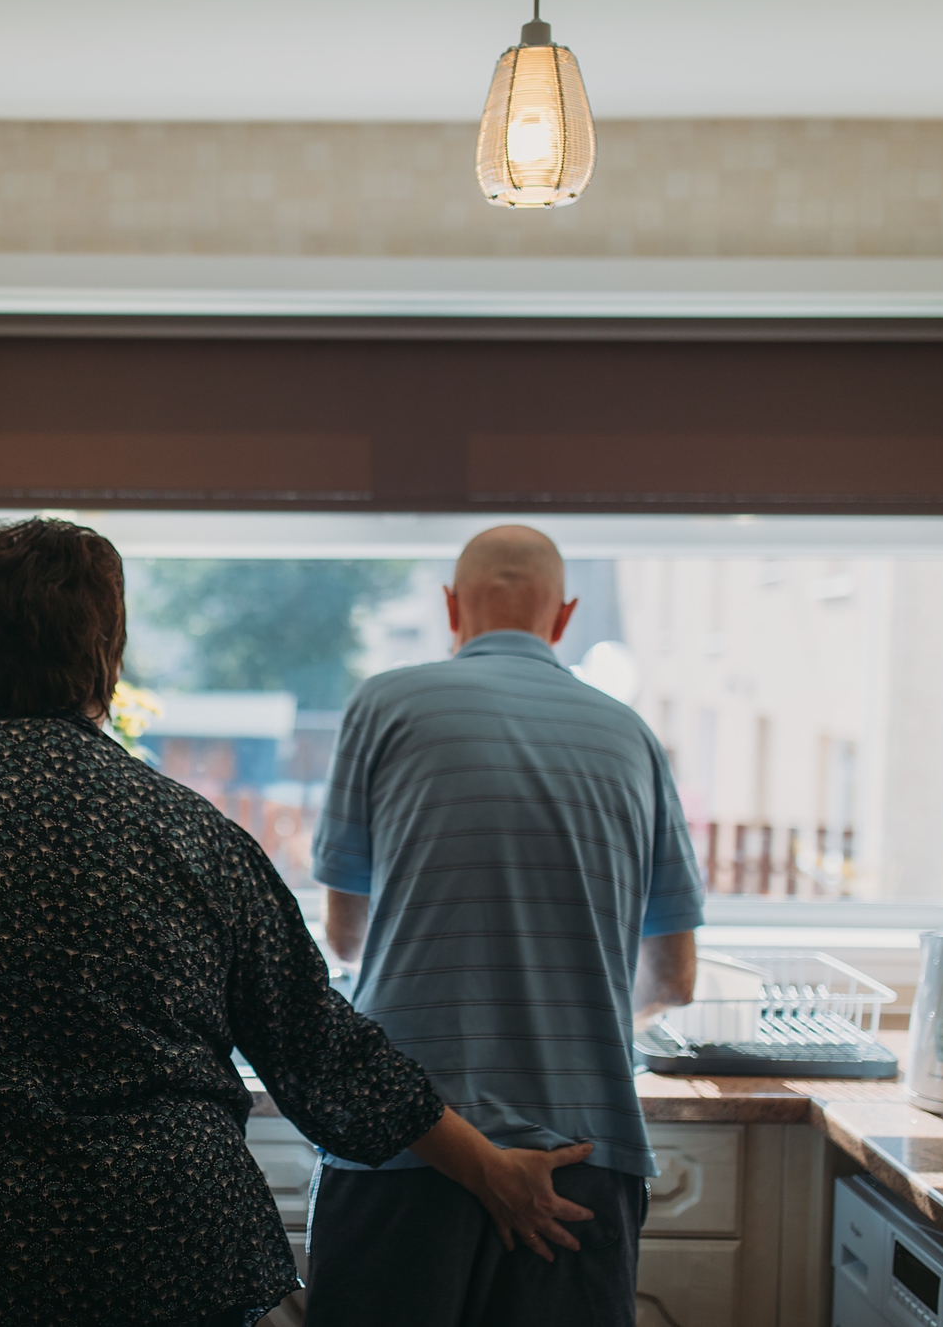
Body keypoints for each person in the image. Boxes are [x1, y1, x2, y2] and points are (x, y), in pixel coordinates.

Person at [0, 517, 637, 1327]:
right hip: (150, 1257)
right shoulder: (192, 833)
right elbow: (323, 1053)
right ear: (108, 650)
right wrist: (487, 1167)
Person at [305, 524, 703, 1327]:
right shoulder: (634, 737)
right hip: (583, 1159)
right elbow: (675, 977)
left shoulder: (384, 703)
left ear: (452, 608)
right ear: (564, 618)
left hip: (407, 1142)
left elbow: (345, 938)